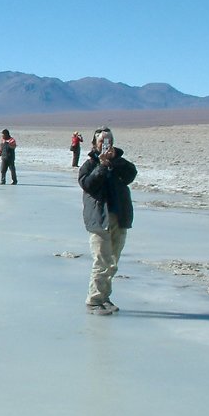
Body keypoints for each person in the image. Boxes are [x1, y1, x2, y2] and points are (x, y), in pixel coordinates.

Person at [79, 127, 137, 315]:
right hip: (99, 220)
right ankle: (94, 300)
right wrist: (102, 166)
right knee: (102, 261)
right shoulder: (89, 165)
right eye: (102, 141)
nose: (106, 144)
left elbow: (131, 175)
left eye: (109, 141)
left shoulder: (118, 163)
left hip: (118, 218)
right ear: (94, 144)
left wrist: (115, 161)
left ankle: (104, 297)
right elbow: (88, 185)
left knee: (112, 261)